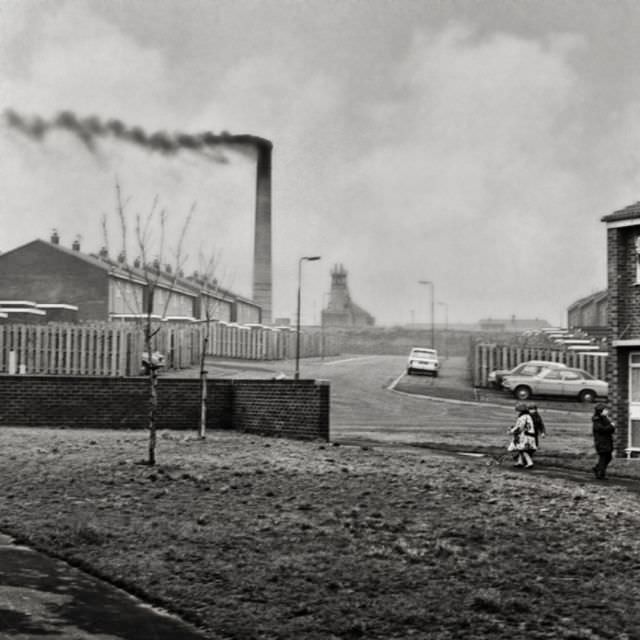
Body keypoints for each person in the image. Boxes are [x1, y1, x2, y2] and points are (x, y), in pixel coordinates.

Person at [508, 402, 537, 468]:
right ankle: (520, 462)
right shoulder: (528, 416)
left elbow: (520, 427)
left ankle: (530, 463)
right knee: (521, 449)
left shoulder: (523, 417)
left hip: (525, 436)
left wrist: (511, 431)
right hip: (529, 435)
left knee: (523, 450)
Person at [592, 403, 615, 480]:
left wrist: (611, 427)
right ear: (600, 411)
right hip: (601, 442)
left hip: (607, 441)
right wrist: (611, 426)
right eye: (605, 410)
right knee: (603, 457)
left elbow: (611, 429)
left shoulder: (605, 418)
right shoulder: (597, 420)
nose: (607, 411)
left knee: (608, 457)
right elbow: (601, 429)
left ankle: (598, 468)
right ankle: (600, 474)